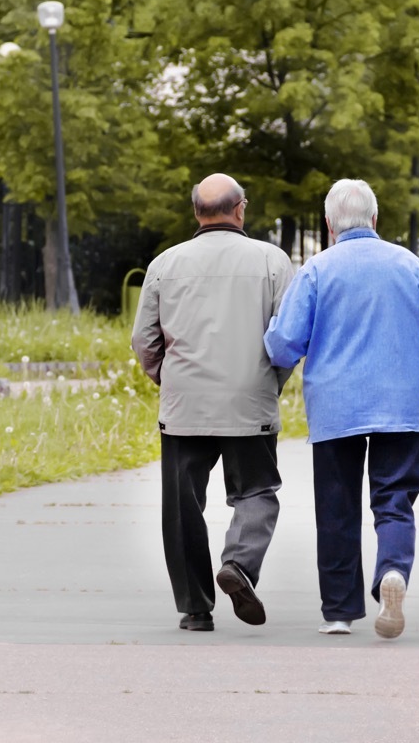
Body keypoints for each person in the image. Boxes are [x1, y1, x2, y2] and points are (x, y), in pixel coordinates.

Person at [263, 178, 419, 638]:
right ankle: (392, 571)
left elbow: (285, 345)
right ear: (375, 220)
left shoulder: (316, 269)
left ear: (329, 225)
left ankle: (339, 611)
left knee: (336, 506)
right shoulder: (407, 264)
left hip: (336, 407)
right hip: (401, 405)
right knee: (394, 501)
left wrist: (273, 336)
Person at [131, 173, 295, 632]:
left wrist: (167, 378)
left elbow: (143, 340)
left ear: (195, 212)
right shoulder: (272, 261)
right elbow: (286, 338)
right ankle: (239, 564)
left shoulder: (165, 263)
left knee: (182, 507)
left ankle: (195, 608)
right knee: (256, 492)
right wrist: (270, 381)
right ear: (240, 209)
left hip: (184, 405)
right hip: (250, 401)